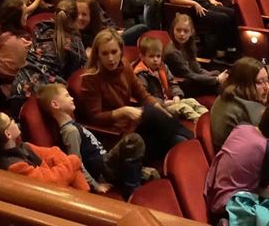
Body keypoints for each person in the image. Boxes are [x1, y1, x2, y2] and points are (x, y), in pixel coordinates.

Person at [78, 29, 192, 160]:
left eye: (114, 52)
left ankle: (195, 148)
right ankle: (195, 141)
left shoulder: (125, 65)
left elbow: (141, 94)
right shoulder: (91, 78)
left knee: (177, 139)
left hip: (133, 126)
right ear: (97, 55)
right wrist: (123, 111)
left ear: (121, 50)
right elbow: (95, 117)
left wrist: (158, 107)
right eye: (105, 53)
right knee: (151, 113)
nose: (110, 58)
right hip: (116, 135)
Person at [38, 83, 145, 196]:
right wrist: (95, 185)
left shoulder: (73, 125)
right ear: (55, 104)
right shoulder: (70, 131)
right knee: (133, 140)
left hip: (105, 161)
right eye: (67, 96)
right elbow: (76, 162)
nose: (72, 98)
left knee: (152, 174)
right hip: (102, 170)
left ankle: (133, 179)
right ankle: (132, 192)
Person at [0, 111, 89, 190]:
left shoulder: (24, 146)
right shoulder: (14, 166)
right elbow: (53, 182)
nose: (14, 121)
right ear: (8, 134)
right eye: (10, 120)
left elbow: (55, 152)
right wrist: (73, 161)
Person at [10, 0, 85, 102]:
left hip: (18, 88)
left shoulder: (40, 29)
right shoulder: (74, 43)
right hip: (44, 95)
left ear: (55, 14)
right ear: (75, 19)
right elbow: (77, 74)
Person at [132, 36, 207, 120]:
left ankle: (210, 120)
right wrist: (163, 102)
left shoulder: (163, 67)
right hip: (159, 107)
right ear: (142, 57)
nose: (155, 59)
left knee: (192, 101)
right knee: (185, 108)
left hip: (170, 101)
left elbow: (173, 82)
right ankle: (201, 125)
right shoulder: (141, 73)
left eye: (158, 56)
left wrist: (176, 95)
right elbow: (144, 96)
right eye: (151, 56)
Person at [163, 13, 224, 96]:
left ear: (191, 32)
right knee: (220, 86)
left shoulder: (188, 45)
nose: (182, 34)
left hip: (192, 79)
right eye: (178, 30)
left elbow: (197, 69)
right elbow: (189, 75)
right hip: (182, 84)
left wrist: (213, 75)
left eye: (186, 31)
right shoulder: (172, 52)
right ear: (173, 30)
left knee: (218, 73)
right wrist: (216, 79)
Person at [0, 0, 31, 80]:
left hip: (10, 79)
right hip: (16, 84)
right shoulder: (16, 43)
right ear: (15, 19)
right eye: (25, 14)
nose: (27, 16)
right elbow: (29, 65)